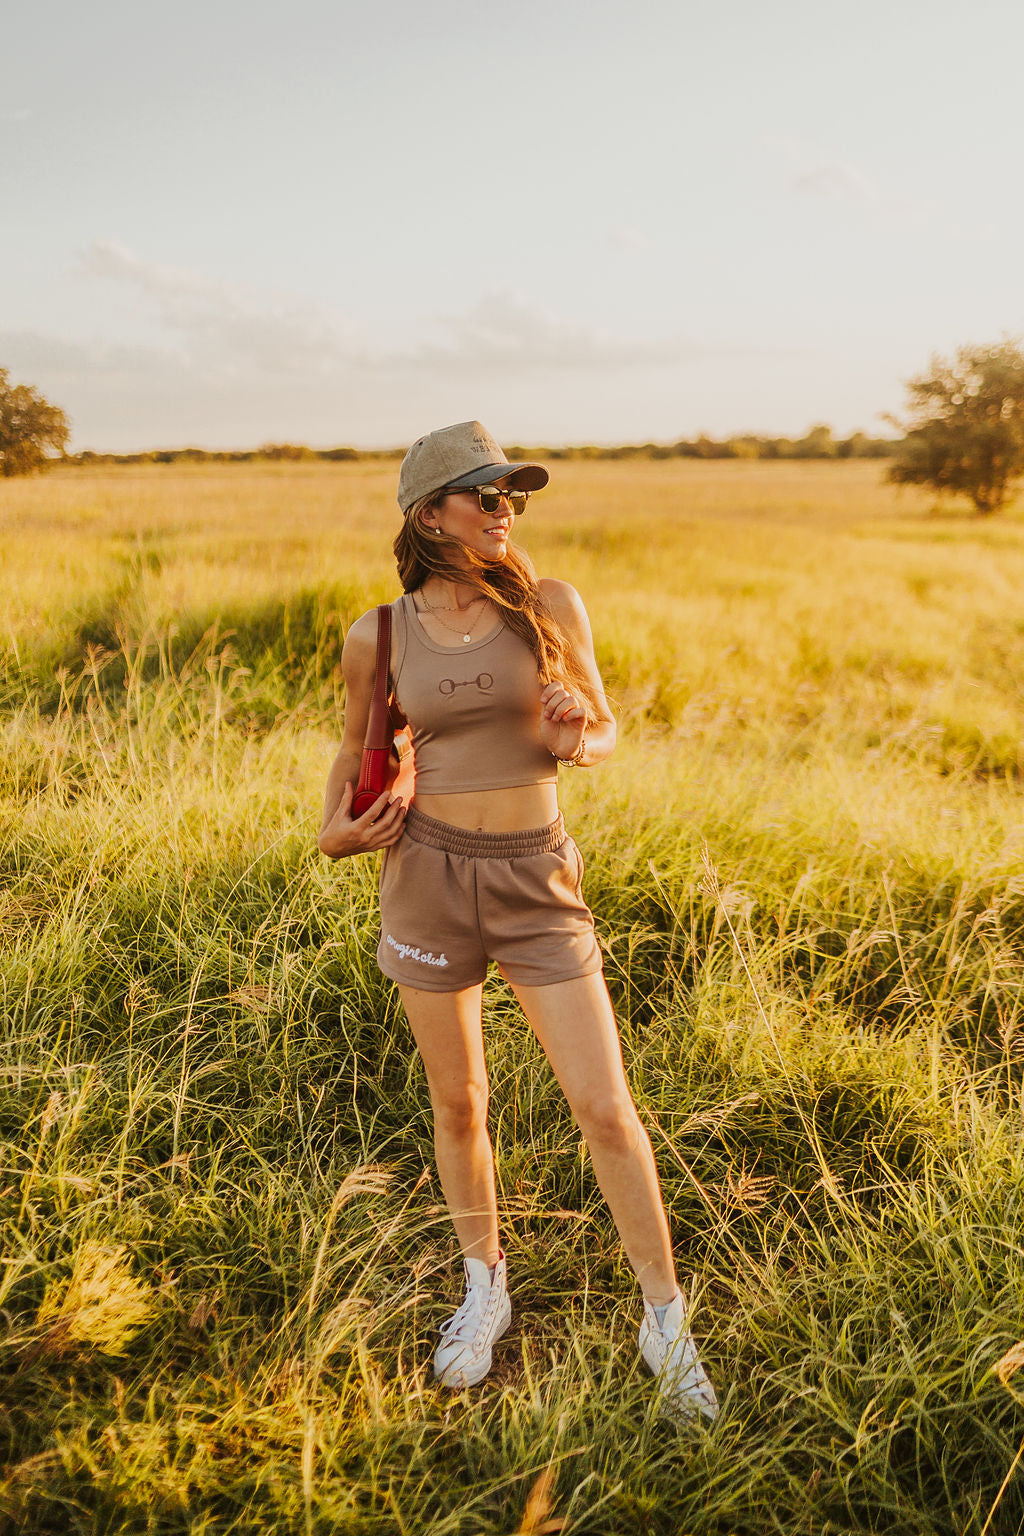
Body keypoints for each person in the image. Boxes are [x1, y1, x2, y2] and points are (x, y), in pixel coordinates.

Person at [318, 421, 718, 1421]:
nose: (507, 511)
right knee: (459, 1104)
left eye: (514, 496)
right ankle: (483, 1284)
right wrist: (334, 832)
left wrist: (577, 739)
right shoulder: (378, 634)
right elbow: (355, 745)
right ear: (430, 514)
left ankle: (665, 1322)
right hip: (426, 878)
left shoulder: (548, 605)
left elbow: (605, 727)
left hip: (537, 877)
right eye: (487, 495)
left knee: (606, 1109)